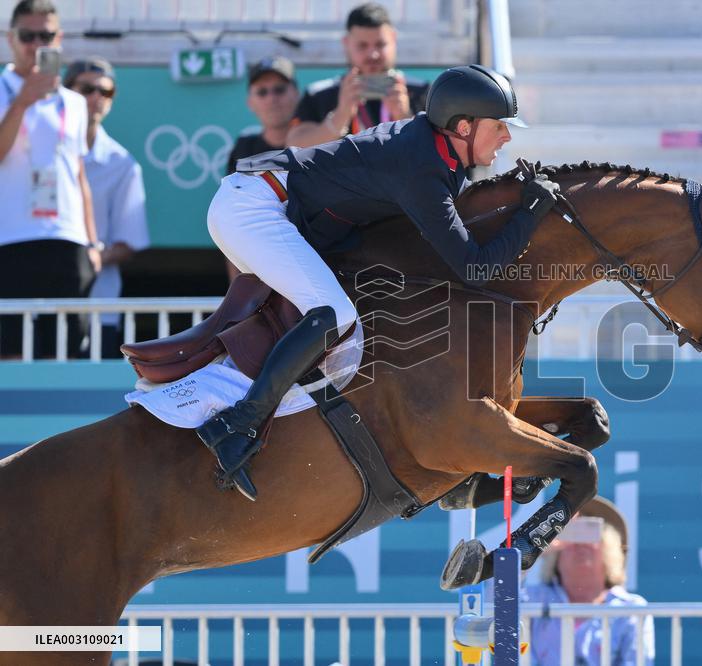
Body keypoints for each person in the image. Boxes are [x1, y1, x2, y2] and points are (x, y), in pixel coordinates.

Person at [198, 64, 557, 501]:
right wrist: (529, 216)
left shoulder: (437, 154)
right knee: (334, 314)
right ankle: (238, 426)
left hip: (272, 208)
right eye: (499, 126)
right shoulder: (421, 168)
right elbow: (475, 269)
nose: (507, 137)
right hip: (254, 208)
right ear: (463, 127)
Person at [0, 0, 100, 359]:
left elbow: (78, 172)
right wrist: (23, 102)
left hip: (66, 238)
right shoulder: (3, 90)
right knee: (10, 349)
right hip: (10, 237)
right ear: (11, 39)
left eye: (46, 35)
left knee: (67, 347)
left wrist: (93, 242)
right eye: (28, 36)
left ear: (59, 38)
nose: (37, 44)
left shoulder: (73, 102)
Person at [63, 57, 149, 358]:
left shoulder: (121, 163)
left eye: (106, 92)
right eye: (87, 89)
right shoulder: (34, 150)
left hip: (98, 307)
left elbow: (129, 243)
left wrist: (85, 262)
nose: (97, 98)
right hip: (35, 303)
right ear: (67, 93)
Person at [523, 496, 654, 665]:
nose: (580, 543)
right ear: (555, 556)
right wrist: (533, 550)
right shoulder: (532, 599)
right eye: (572, 533)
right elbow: (497, 600)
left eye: (590, 532)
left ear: (610, 548)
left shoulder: (631, 609)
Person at [286, 2, 428, 147]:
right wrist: (340, 117)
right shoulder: (319, 94)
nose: (373, 54)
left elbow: (442, 150)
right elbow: (294, 146)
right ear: (346, 43)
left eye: (380, 44)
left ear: (393, 39)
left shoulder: (423, 92)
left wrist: (405, 117)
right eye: (362, 45)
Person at [226, 56, 300, 175]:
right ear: (250, 102)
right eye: (262, 92)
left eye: (279, 89)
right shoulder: (243, 149)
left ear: (296, 94)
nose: (271, 98)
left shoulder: (318, 144)